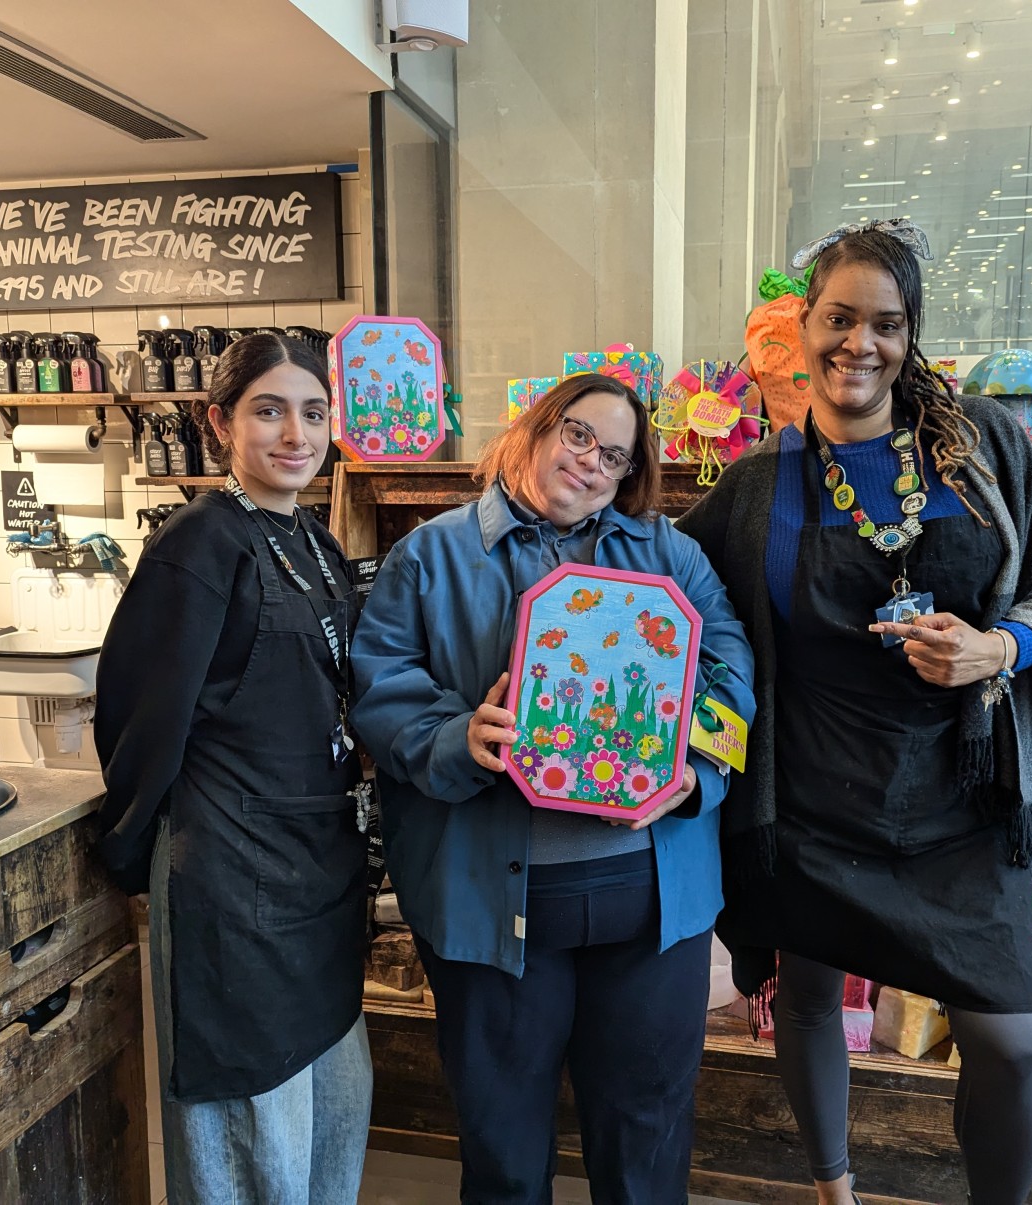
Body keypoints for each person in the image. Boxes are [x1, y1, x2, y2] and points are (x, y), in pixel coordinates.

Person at [675, 218, 1032, 1205]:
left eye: (885, 323)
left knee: (1006, 1043)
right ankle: (834, 1189)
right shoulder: (758, 488)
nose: (859, 344)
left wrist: (1000, 645)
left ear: (907, 335)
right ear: (802, 325)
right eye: (840, 318)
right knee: (806, 996)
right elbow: (660, 580)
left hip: (965, 800)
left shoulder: (982, 448)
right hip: (815, 799)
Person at [350, 373, 755, 1205]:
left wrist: (696, 770)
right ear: (537, 427)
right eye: (579, 435)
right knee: (503, 1149)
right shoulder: (430, 554)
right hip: (492, 904)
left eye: (615, 454)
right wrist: (456, 737)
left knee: (645, 1142)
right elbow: (380, 692)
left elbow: (733, 671)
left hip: (650, 902)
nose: (592, 463)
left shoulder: (669, 553)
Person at [94, 333, 372, 1203]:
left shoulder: (317, 544)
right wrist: (134, 852)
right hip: (231, 879)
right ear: (220, 423)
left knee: (331, 1111)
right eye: (269, 409)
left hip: (316, 873)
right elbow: (140, 716)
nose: (296, 432)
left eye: (313, 412)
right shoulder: (198, 544)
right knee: (254, 1142)